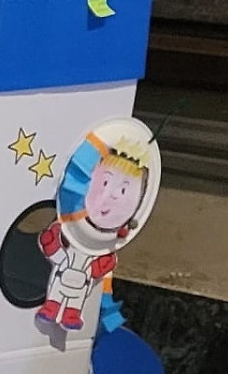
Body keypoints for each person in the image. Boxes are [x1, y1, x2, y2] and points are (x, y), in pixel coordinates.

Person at [38, 127, 153, 332]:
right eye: (105, 182)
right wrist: (52, 243)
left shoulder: (103, 244)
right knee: (60, 291)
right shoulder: (75, 230)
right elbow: (61, 257)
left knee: (76, 298)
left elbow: (97, 271)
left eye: (123, 190)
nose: (113, 195)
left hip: (81, 284)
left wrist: (102, 266)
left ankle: (70, 313)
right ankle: (55, 307)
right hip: (66, 274)